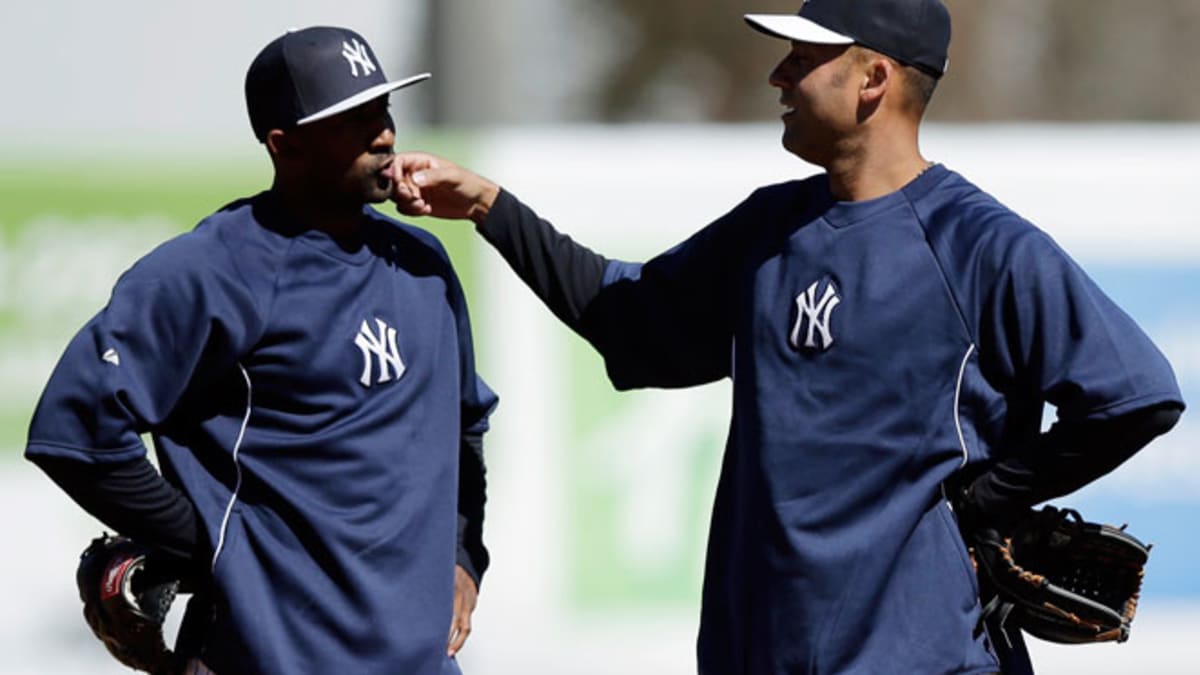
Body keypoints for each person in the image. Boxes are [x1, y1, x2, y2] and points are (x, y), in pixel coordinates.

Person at [387, 1, 1185, 673]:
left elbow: (1136, 396)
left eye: (804, 57)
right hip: (759, 649)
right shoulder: (769, 230)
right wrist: (491, 206)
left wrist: (984, 497)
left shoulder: (978, 246)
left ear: (873, 79)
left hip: (923, 651)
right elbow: (628, 320)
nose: (778, 76)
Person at [25, 26, 497, 675]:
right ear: (286, 145)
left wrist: (467, 553)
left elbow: (465, 425)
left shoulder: (421, 263)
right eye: (352, 119)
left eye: (382, 109)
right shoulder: (210, 271)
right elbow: (73, 428)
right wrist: (206, 543)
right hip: (265, 658)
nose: (383, 132)